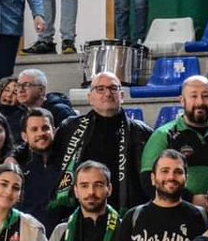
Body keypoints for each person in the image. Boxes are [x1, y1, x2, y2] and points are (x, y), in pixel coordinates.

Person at [55, 72, 152, 213]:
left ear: (122, 96)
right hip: (78, 211)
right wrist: (15, 155)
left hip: (126, 212)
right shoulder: (69, 128)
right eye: (100, 89)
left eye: (113, 88)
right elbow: (43, 152)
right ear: (90, 98)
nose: (107, 93)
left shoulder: (142, 132)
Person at [140, 75, 208, 206]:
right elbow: (147, 180)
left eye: (206, 96)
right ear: (182, 100)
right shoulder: (163, 135)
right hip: (175, 217)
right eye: (193, 96)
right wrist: (190, 199)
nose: (200, 102)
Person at [12, 108, 64, 229]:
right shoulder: (17, 166)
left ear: (54, 131)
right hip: (28, 235)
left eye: (45, 128)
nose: (41, 133)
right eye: (34, 129)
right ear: (25, 136)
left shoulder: (68, 162)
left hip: (65, 234)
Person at [1, 67, 77, 137]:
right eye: (18, 85)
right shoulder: (16, 115)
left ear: (41, 90)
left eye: (26, 85)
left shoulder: (60, 111)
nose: (20, 90)